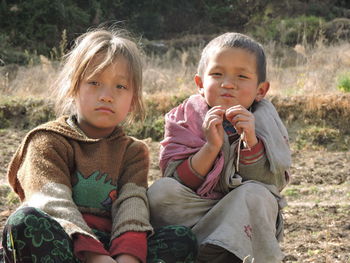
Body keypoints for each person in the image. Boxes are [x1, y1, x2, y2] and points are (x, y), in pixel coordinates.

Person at [0, 27, 197, 263]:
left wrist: (127, 258)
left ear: (133, 99)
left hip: (113, 247)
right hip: (62, 241)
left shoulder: (132, 151)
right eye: (94, 82)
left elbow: (132, 206)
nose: (106, 95)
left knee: (182, 239)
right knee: (25, 223)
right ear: (74, 87)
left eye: (120, 87)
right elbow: (52, 202)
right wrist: (96, 258)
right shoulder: (47, 140)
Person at [147, 32, 291, 263]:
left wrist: (251, 141)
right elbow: (178, 179)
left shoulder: (266, 122)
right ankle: (183, 248)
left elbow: (270, 182)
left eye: (242, 76)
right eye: (216, 74)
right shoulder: (185, 117)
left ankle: (226, 252)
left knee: (256, 195)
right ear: (200, 84)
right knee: (161, 191)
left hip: (238, 213)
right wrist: (211, 146)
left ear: (261, 90)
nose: (228, 84)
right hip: (195, 211)